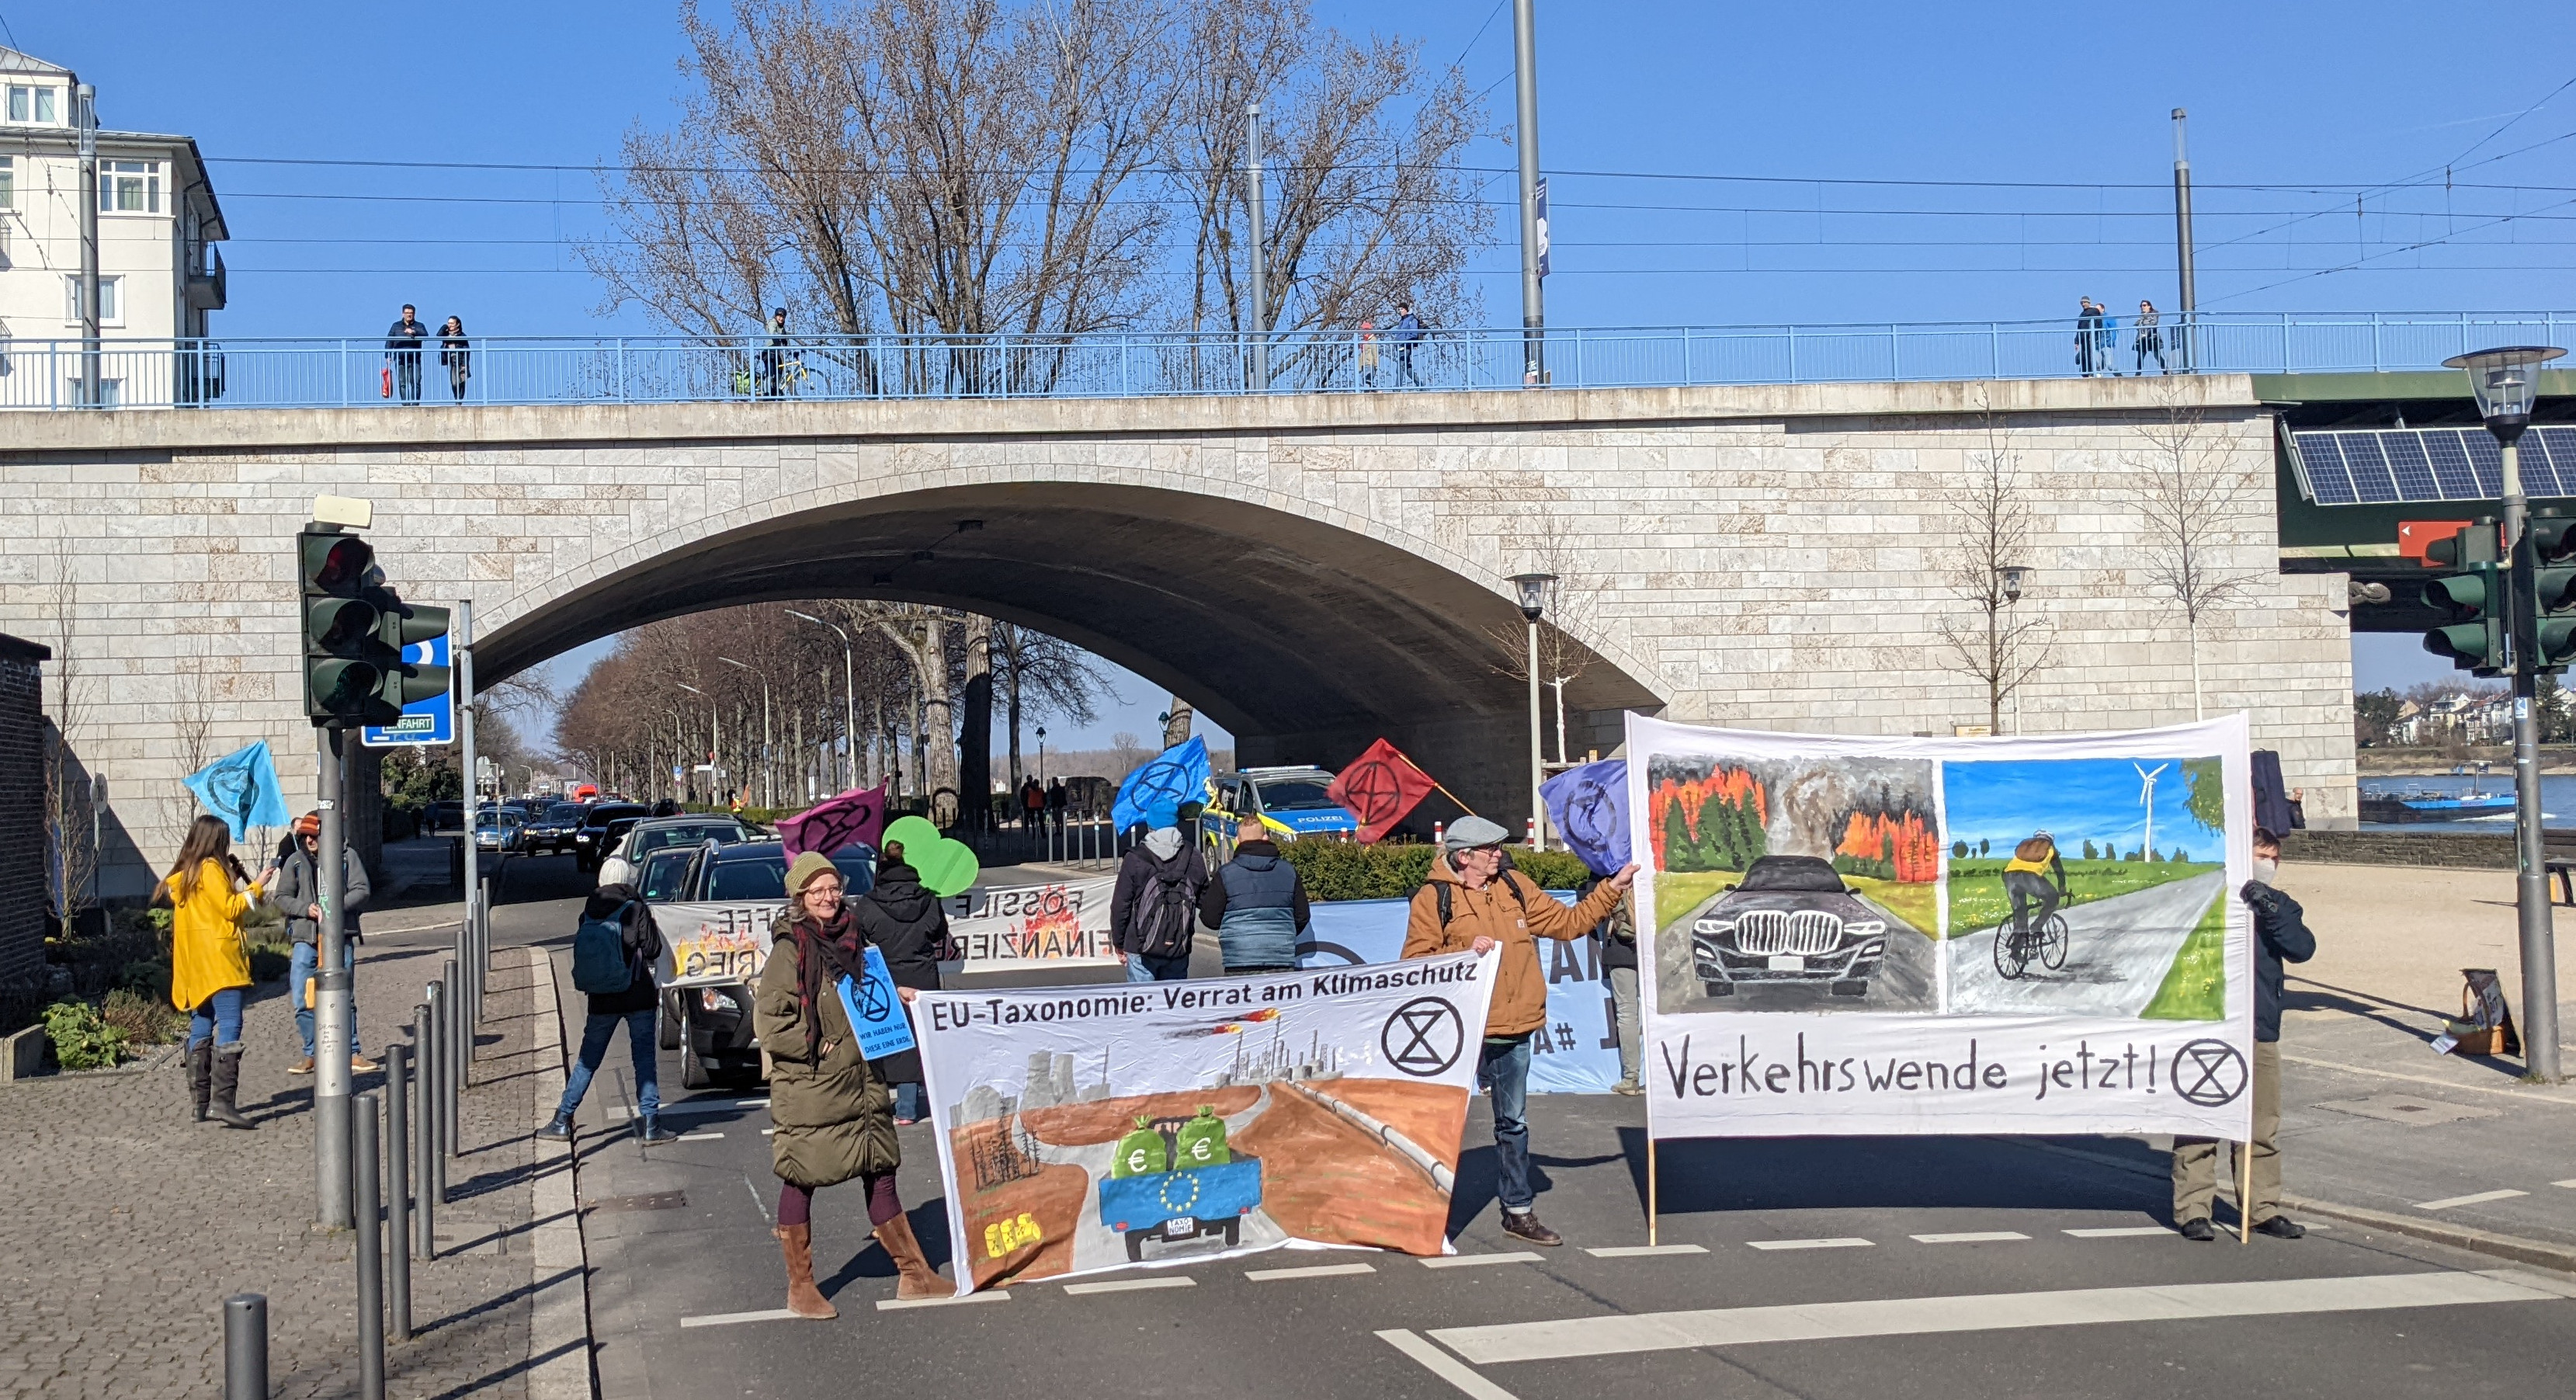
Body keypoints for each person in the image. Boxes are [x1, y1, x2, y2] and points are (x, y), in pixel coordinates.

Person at [1401, 816, 1635, 1245]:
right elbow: (1415, 964)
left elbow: (1570, 923)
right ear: (1464, 857)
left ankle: (1518, 1211)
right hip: (1459, 1032)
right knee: (1438, 1125)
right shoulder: (1433, 898)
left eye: (1499, 847)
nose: (1499, 854)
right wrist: (1463, 950)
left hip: (1514, 1027)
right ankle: (1422, 1217)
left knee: (1513, 1124)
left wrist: (1613, 887)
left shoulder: (1514, 885)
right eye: (1490, 849)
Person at [755, 851, 942, 1315]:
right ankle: (801, 1288)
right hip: (811, 1088)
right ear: (800, 897)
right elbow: (771, 1024)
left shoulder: (856, 937)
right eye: (817, 890)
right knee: (801, 1179)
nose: (829, 898)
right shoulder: (790, 949)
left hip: (863, 1082)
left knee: (882, 1173)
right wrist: (817, 1047)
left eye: (834, 888)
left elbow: (863, 994)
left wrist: (895, 994)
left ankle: (915, 1276)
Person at [2173, 828, 2314, 1241]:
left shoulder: (2280, 904)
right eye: (2260, 856)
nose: (2268, 864)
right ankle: (2193, 1209)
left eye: (2274, 858)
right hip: (2209, 1025)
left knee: (2261, 1125)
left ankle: (2261, 1208)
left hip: (2258, 1025)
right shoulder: (2208, 897)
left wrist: (2268, 908)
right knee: (2200, 1119)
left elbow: (2302, 948)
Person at [539, 885, 678, 1144]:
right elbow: (653, 950)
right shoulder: (637, 909)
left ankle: (562, 1120)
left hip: (602, 998)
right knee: (644, 1061)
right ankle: (651, 1124)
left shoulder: (589, 911)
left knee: (587, 1061)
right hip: (638, 994)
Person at [163, 815, 268, 1130]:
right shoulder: (210, 869)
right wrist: (257, 887)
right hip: (220, 962)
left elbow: (212, 907)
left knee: (202, 1023)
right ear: (215, 840)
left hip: (196, 964)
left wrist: (233, 880)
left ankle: (200, 1104)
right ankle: (223, 1103)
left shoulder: (188, 873)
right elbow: (230, 908)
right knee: (231, 1023)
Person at [850, 837, 952, 1125]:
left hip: (884, 976)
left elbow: (857, 938)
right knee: (920, 1038)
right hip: (922, 974)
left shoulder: (868, 903)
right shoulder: (928, 899)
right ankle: (911, 1105)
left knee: (885, 1036)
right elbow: (939, 932)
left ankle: (883, 1104)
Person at [273, 812, 378, 1076]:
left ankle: (352, 1052)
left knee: (344, 996)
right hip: (305, 939)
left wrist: (333, 907)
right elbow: (281, 897)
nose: (309, 840)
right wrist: (304, 908)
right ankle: (312, 1053)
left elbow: (362, 889)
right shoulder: (296, 861)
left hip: (339, 937)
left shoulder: (347, 856)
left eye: (314, 835)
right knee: (302, 997)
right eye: (305, 836)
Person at [1198, 815, 1311, 975]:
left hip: (1239, 958)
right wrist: (1283, 935)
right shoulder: (1288, 871)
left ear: (1237, 841)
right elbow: (1302, 916)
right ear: (1266, 838)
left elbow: (1209, 918)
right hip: (1280, 956)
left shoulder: (1225, 874)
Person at [1113, 801, 1208, 983]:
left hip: (1140, 946)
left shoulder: (1135, 858)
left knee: (1142, 999)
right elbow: (1205, 900)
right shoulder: (1193, 855)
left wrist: (1119, 942)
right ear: (1175, 823)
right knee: (1173, 1000)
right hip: (1178, 945)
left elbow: (1120, 905)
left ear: (1150, 826)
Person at [1587, 870, 1643, 1095]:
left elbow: (1589, 904)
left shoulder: (1606, 866)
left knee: (1627, 1012)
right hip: (1656, 944)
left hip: (1621, 946)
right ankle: (1666, 1074)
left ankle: (1631, 1077)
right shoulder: (1648, 863)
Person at [2001, 829, 2068, 957]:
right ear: (2051, 841)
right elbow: (2059, 871)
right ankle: (2036, 927)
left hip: (2009, 876)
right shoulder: (2050, 849)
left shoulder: (2026, 846)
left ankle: (2017, 948)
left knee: (2020, 911)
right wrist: (2062, 889)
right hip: (2030, 877)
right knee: (2053, 898)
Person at [385, 304, 428, 403]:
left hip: (415, 358)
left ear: (414, 314)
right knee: (402, 382)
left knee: (416, 381)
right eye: (407, 313)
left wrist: (414, 331)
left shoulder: (419, 325)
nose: (409, 315)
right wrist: (388, 355)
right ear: (403, 314)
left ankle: (415, 404)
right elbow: (389, 340)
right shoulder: (396, 326)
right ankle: (405, 404)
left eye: (411, 313)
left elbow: (425, 334)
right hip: (400, 358)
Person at [1387, 302, 1425, 387]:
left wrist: (1405, 341)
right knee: (1408, 370)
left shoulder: (1412, 320)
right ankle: (1421, 385)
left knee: (1400, 366)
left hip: (1405, 346)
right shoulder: (1402, 320)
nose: (1400, 311)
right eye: (1399, 309)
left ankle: (1398, 387)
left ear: (1406, 310)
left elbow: (1414, 334)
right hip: (1400, 345)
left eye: (1402, 309)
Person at [759, 307, 790, 398]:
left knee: (780, 371)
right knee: (771, 372)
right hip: (768, 352)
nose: (781, 318)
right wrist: (779, 337)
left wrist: (786, 343)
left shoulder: (782, 328)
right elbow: (772, 332)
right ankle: (767, 393)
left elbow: (786, 340)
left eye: (783, 317)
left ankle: (775, 390)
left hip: (776, 353)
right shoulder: (772, 322)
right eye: (779, 316)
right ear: (776, 316)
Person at [438, 315, 471, 401]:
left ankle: (459, 399)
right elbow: (438, 335)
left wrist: (465, 364)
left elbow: (466, 350)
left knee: (461, 380)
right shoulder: (446, 334)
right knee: (454, 382)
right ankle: (457, 398)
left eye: (452, 323)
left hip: (460, 360)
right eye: (449, 323)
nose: (450, 325)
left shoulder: (462, 336)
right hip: (451, 360)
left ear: (457, 324)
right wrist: (444, 326)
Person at [2133, 299, 2166, 374]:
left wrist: (2144, 318)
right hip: (2143, 338)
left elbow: (2153, 323)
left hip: (2152, 337)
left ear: (2149, 306)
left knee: (2157, 355)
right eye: (2141, 306)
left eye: (2144, 305)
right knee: (2140, 356)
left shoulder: (2154, 313)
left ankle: (2165, 371)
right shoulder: (2142, 316)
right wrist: (2141, 319)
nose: (2142, 307)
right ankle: (2138, 373)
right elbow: (2136, 325)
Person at [2074, 297, 2102, 377]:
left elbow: (2099, 324)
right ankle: (2086, 373)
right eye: (2081, 303)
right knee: (2084, 355)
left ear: (2089, 303)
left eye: (2084, 302)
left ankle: (2091, 372)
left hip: (2090, 336)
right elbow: (2079, 328)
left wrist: (2096, 335)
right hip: (2083, 337)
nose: (2083, 304)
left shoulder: (2094, 312)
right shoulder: (2082, 314)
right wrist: (2077, 341)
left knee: (2089, 354)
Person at [1357, 319, 1380, 389]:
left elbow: (1374, 351)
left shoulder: (1372, 339)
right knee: (1366, 380)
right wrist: (1359, 366)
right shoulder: (1363, 340)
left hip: (1370, 362)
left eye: (1365, 330)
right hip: (1364, 363)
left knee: (1368, 379)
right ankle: (1372, 390)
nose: (1363, 332)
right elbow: (1361, 354)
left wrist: (1376, 363)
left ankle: (1373, 390)